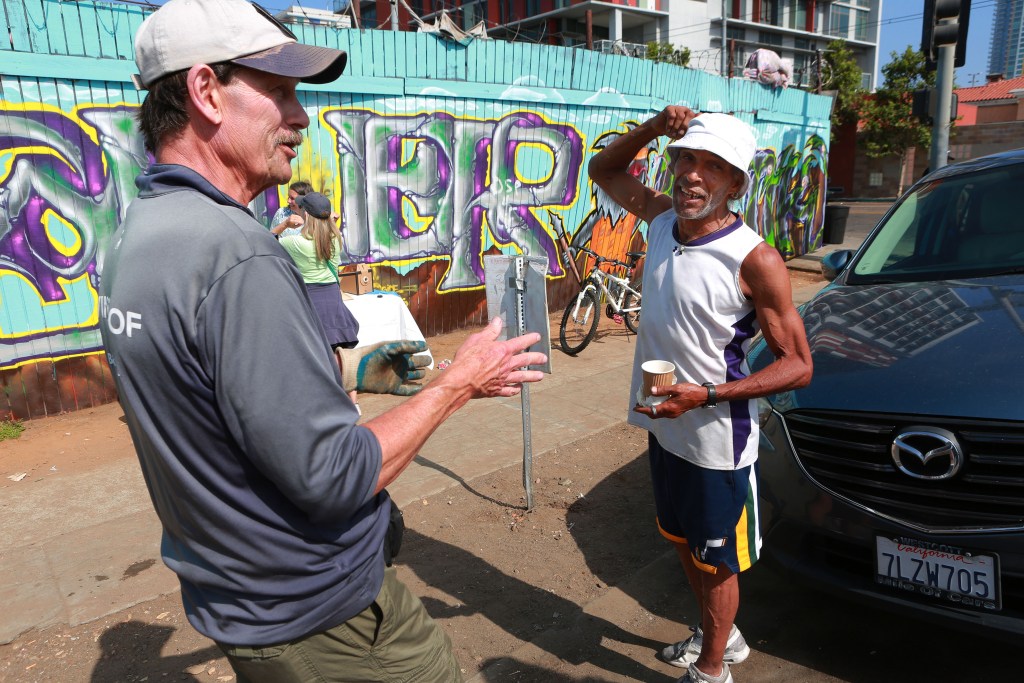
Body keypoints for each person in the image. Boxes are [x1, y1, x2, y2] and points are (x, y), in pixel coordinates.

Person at [99, 1, 546, 680]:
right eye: (277, 91)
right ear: (204, 92)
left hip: (241, 604)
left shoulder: (139, 237)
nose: (300, 116)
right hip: (323, 617)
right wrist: (458, 382)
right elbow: (334, 476)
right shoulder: (236, 256)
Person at [589, 106, 812, 683]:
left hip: (718, 440)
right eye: (687, 158)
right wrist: (653, 128)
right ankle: (724, 638)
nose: (693, 174)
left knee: (718, 564)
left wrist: (709, 394)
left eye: (713, 166)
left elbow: (799, 366)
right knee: (685, 543)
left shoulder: (754, 259)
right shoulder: (661, 221)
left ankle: (712, 671)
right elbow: (602, 170)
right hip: (665, 421)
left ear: (735, 183)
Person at [279, 190, 361, 406]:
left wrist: (285, 225)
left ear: (306, 214)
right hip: (333, 301)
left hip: (311, 302)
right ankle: (352, 404)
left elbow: (268, 240)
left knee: (317, 361)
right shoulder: (335, 240)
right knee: (341, 357)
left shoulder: (295, 243)